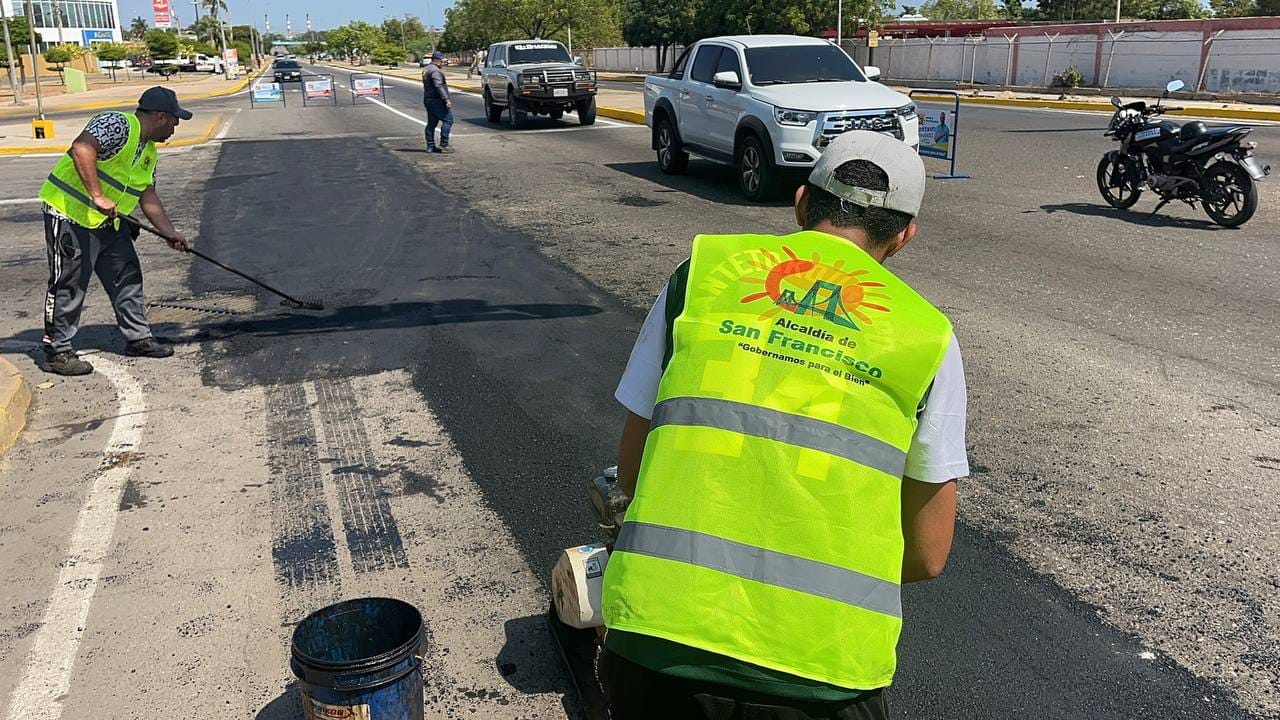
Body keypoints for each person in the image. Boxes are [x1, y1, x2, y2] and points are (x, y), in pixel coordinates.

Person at [599, 130, 968, 720]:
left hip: (659, 643)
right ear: (902, 238)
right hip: (821, 670)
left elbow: (632, 470)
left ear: (800, 203)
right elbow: (927, 554)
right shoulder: (927, 338)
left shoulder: (699, 279)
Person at [37, 86, 192, 377]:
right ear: (160, 116)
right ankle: (58, 351)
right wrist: (97, 195)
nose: (175, 127)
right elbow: (81, 148)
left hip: (110, 223)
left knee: (127, 276)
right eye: (175, 120)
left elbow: (148, 196)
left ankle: (138, 338)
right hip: (70, 214)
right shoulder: (117, 123)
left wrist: (170, 232)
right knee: (69, 282)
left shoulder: (148, 152)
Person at [422, 50, 453, 154]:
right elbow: (438, 85)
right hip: (436, 100)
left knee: (431, 123)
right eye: (442, 60)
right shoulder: (435, 71)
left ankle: (430, 146)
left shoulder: (426, 69)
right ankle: (444, 144)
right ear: (439, 60)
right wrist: (446, 99)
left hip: (428, 99)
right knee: (448, 120)